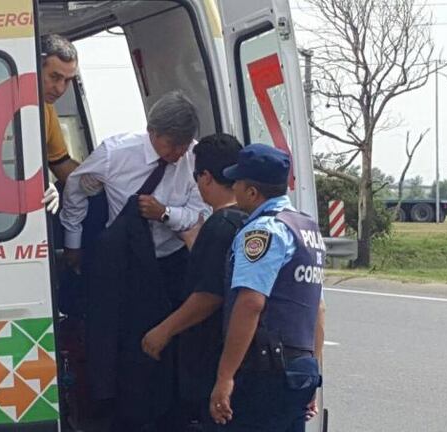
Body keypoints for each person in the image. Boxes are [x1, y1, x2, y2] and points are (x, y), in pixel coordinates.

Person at [60, 90, 208, 430]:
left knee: (172, 346)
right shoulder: (115, 152)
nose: (177, 153)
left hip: (171, 263)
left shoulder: (193, 158)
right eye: (171, 145)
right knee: (124, 347)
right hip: (123, 267)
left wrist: (165, 214)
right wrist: (73, 242)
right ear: (152, 132)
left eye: (183, 146)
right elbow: (76, 191)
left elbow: (199, 213)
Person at [209, 144, 325, 431]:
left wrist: (225, 377)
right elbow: (318, 309)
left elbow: (250, 304)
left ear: (252, 192)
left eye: (237, 181)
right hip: (298, 368)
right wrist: (311, 373)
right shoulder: (306, 229)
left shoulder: (263, 231)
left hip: (264, 373)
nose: (232, 187)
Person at [140, 133, 247, 430]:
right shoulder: (249, 220)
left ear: (206, 178)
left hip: (210, 357)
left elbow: (208, 296)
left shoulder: (219, 226)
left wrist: (163, 331)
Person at [41, 34, 81, 183]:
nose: (60, 89)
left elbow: (61, 164)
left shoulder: (46, 108)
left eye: (67, 80)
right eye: (55, 77)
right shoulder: (1, 102)